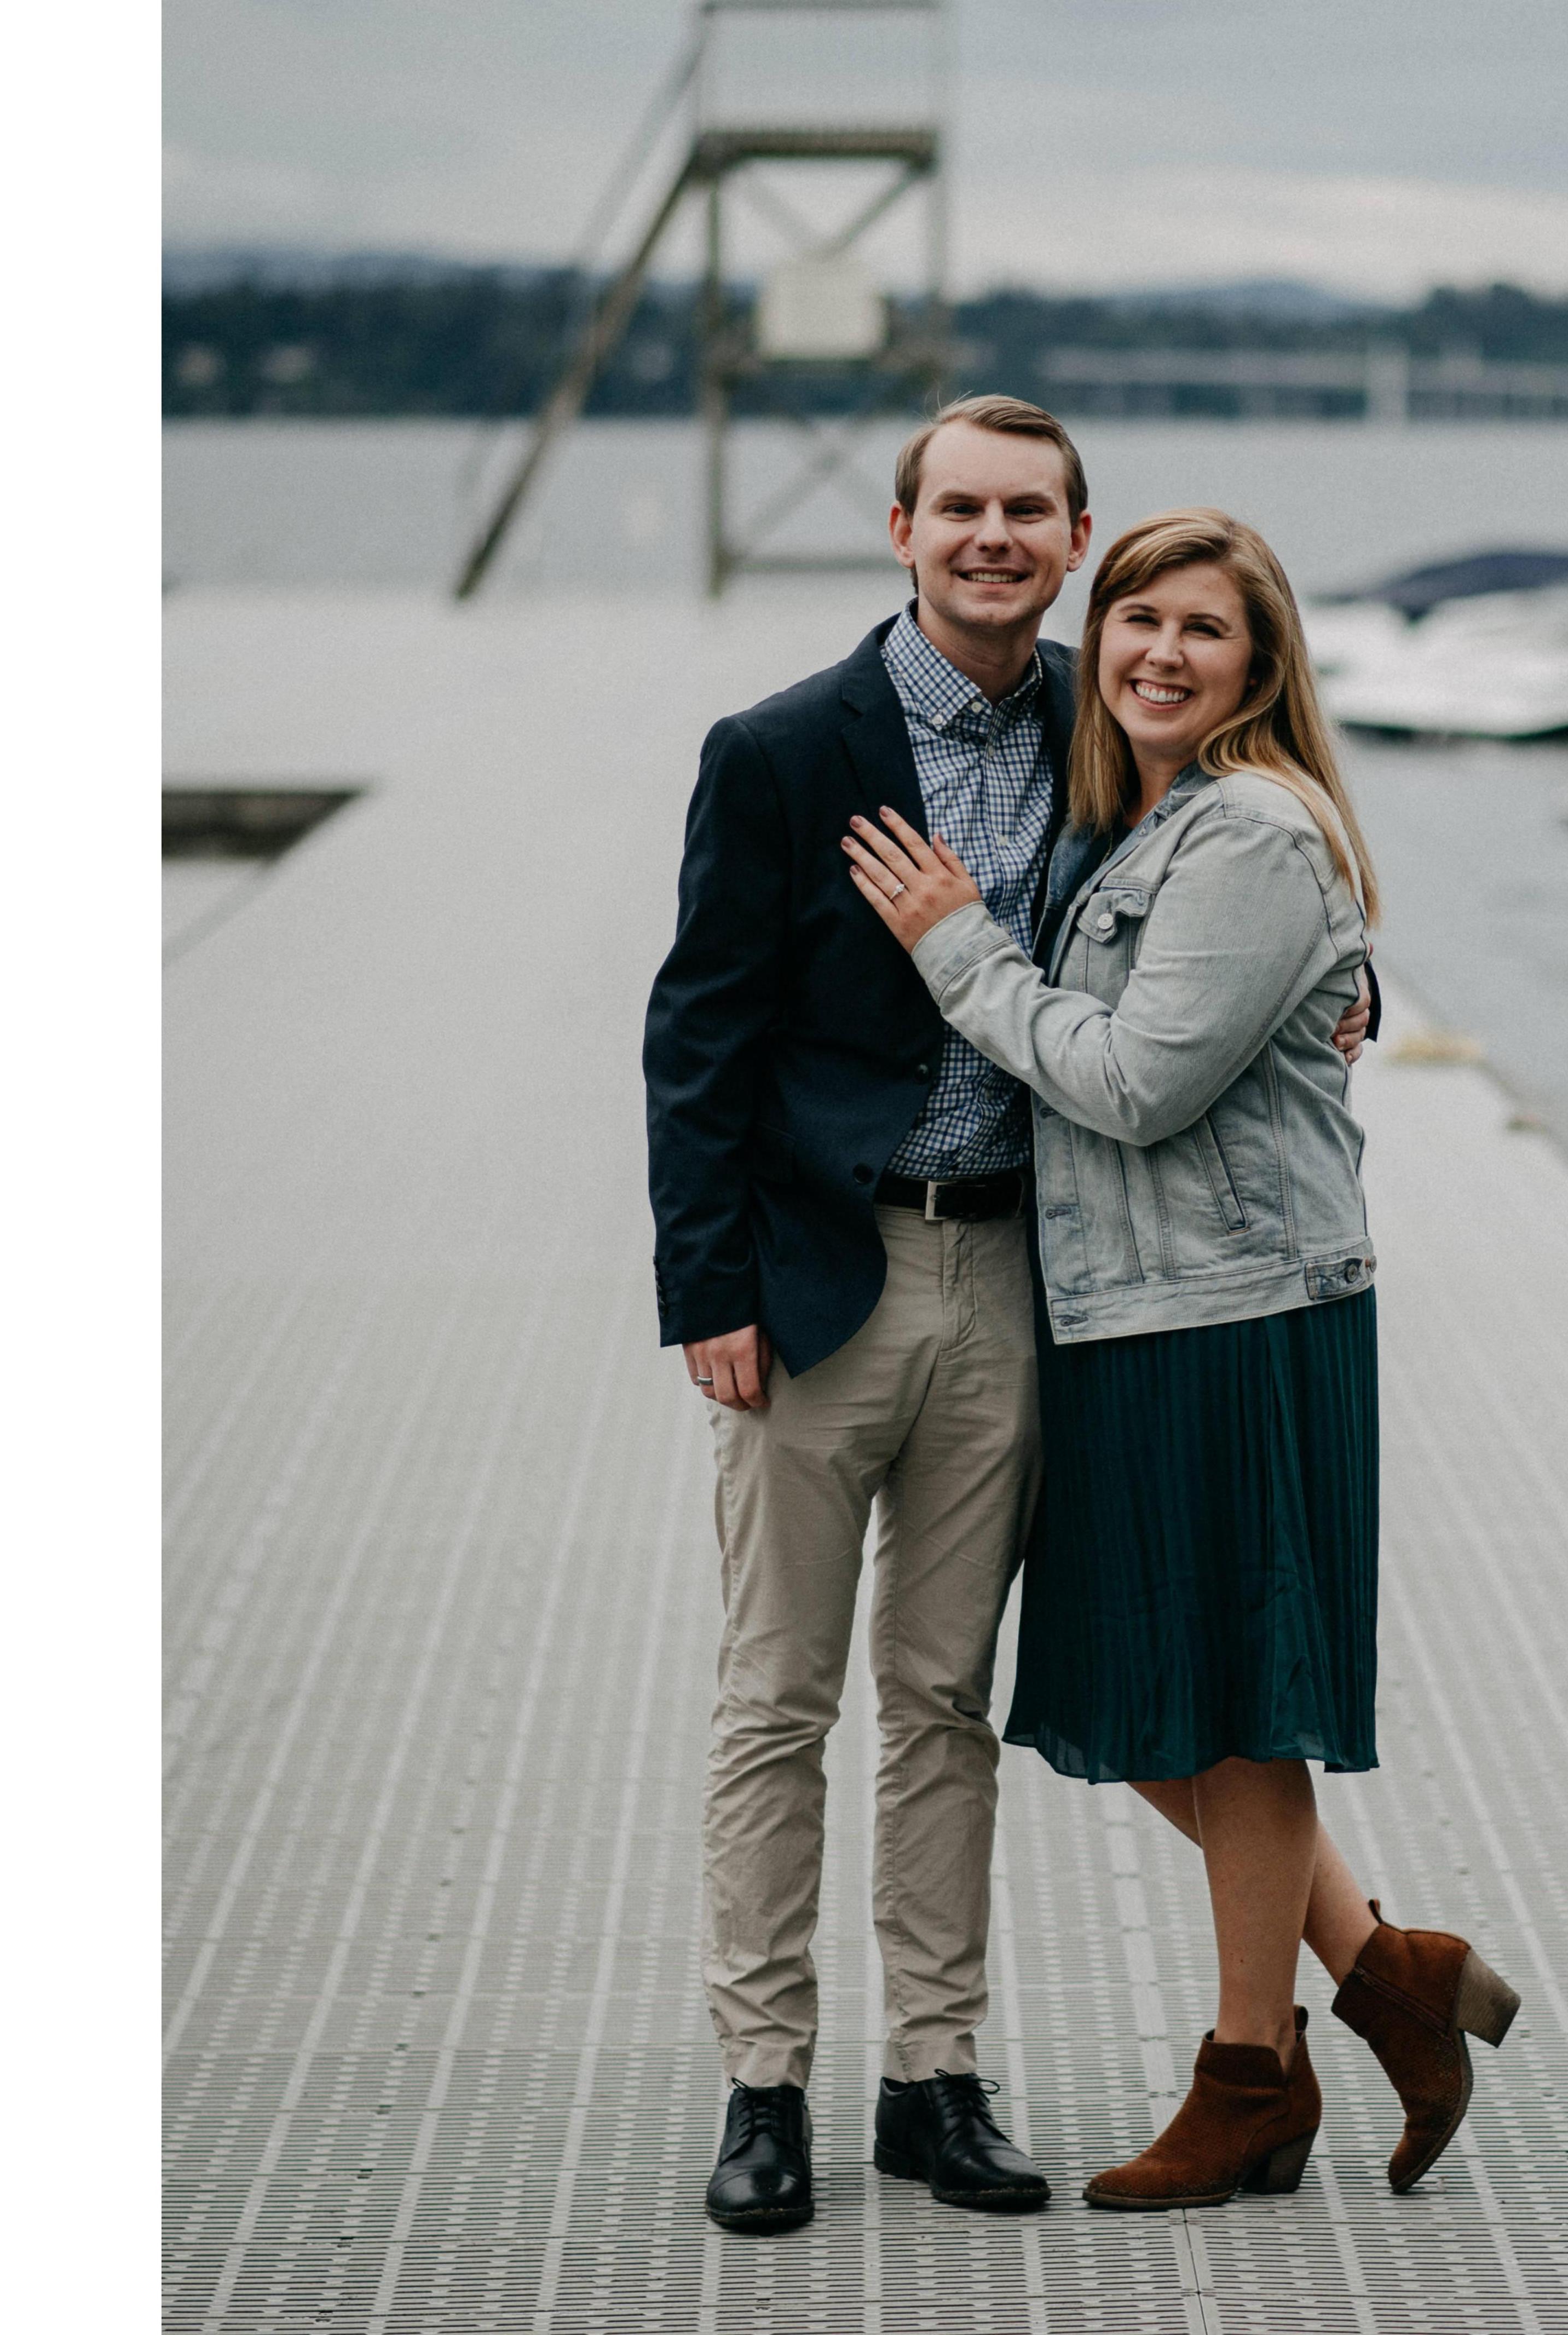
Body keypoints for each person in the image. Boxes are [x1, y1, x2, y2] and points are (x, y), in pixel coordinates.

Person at [643, 402, 1370, 2234]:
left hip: (1019, 1280)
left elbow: (1238, 893)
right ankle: (762, 2086)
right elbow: (700, 1036)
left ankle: (936, 2080)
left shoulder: (1107, 717)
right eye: (957, 507)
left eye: (1025, 512)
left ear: (1073, 534)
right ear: (900, 528)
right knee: (774, 1702)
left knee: (944, 1702)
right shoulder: (786, 748)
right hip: (814, 1287)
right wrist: (706, 1288)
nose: (991, 537)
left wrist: (1350, 977)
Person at [844, 508, 1519, 2213]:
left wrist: (957, 948)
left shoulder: (1253, 835)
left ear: (1262, 666)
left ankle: (1250, 2079)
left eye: (1203, 631)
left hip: (1237, 1318)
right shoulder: (1135, 806)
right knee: (1128, 1695)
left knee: (1228, 1704)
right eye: (1134, 618)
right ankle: (1385, 1974)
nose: (1157, 653)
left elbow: (1142, 1083)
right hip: (1127, 1311)